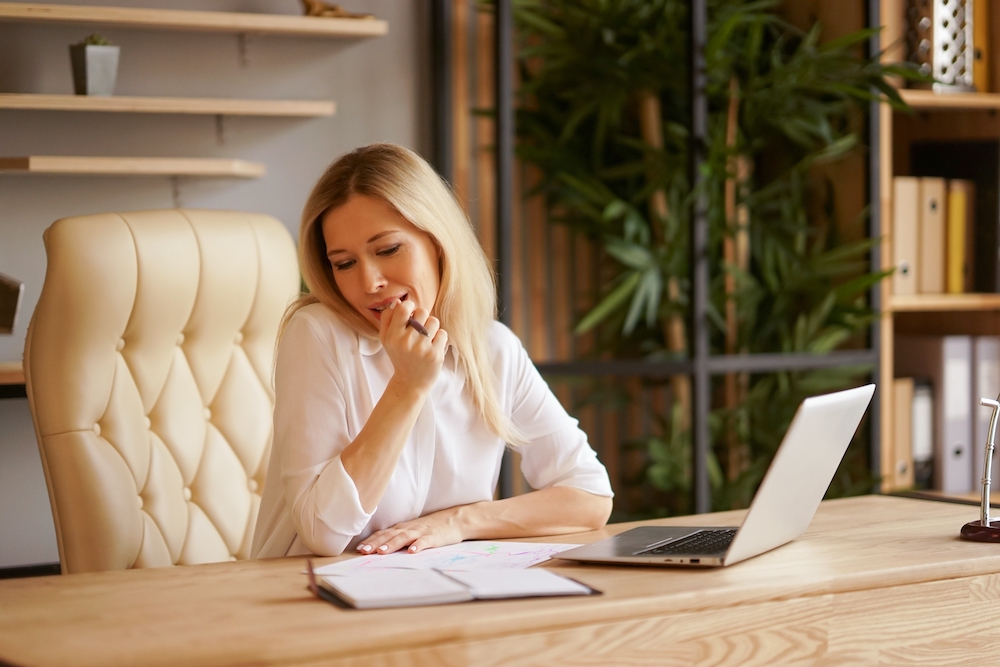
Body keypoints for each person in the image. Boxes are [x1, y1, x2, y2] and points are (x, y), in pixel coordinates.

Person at [251, 143, 613, 559]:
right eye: (344, 263)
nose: (369, 282)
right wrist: (407, 384)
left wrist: (460, 522)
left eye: (387, 250)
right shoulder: (316, 335)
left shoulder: (492, 348)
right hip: (306, 598)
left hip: (440, 592)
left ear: (438, 242)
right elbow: (324, 534)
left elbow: (590, 496)